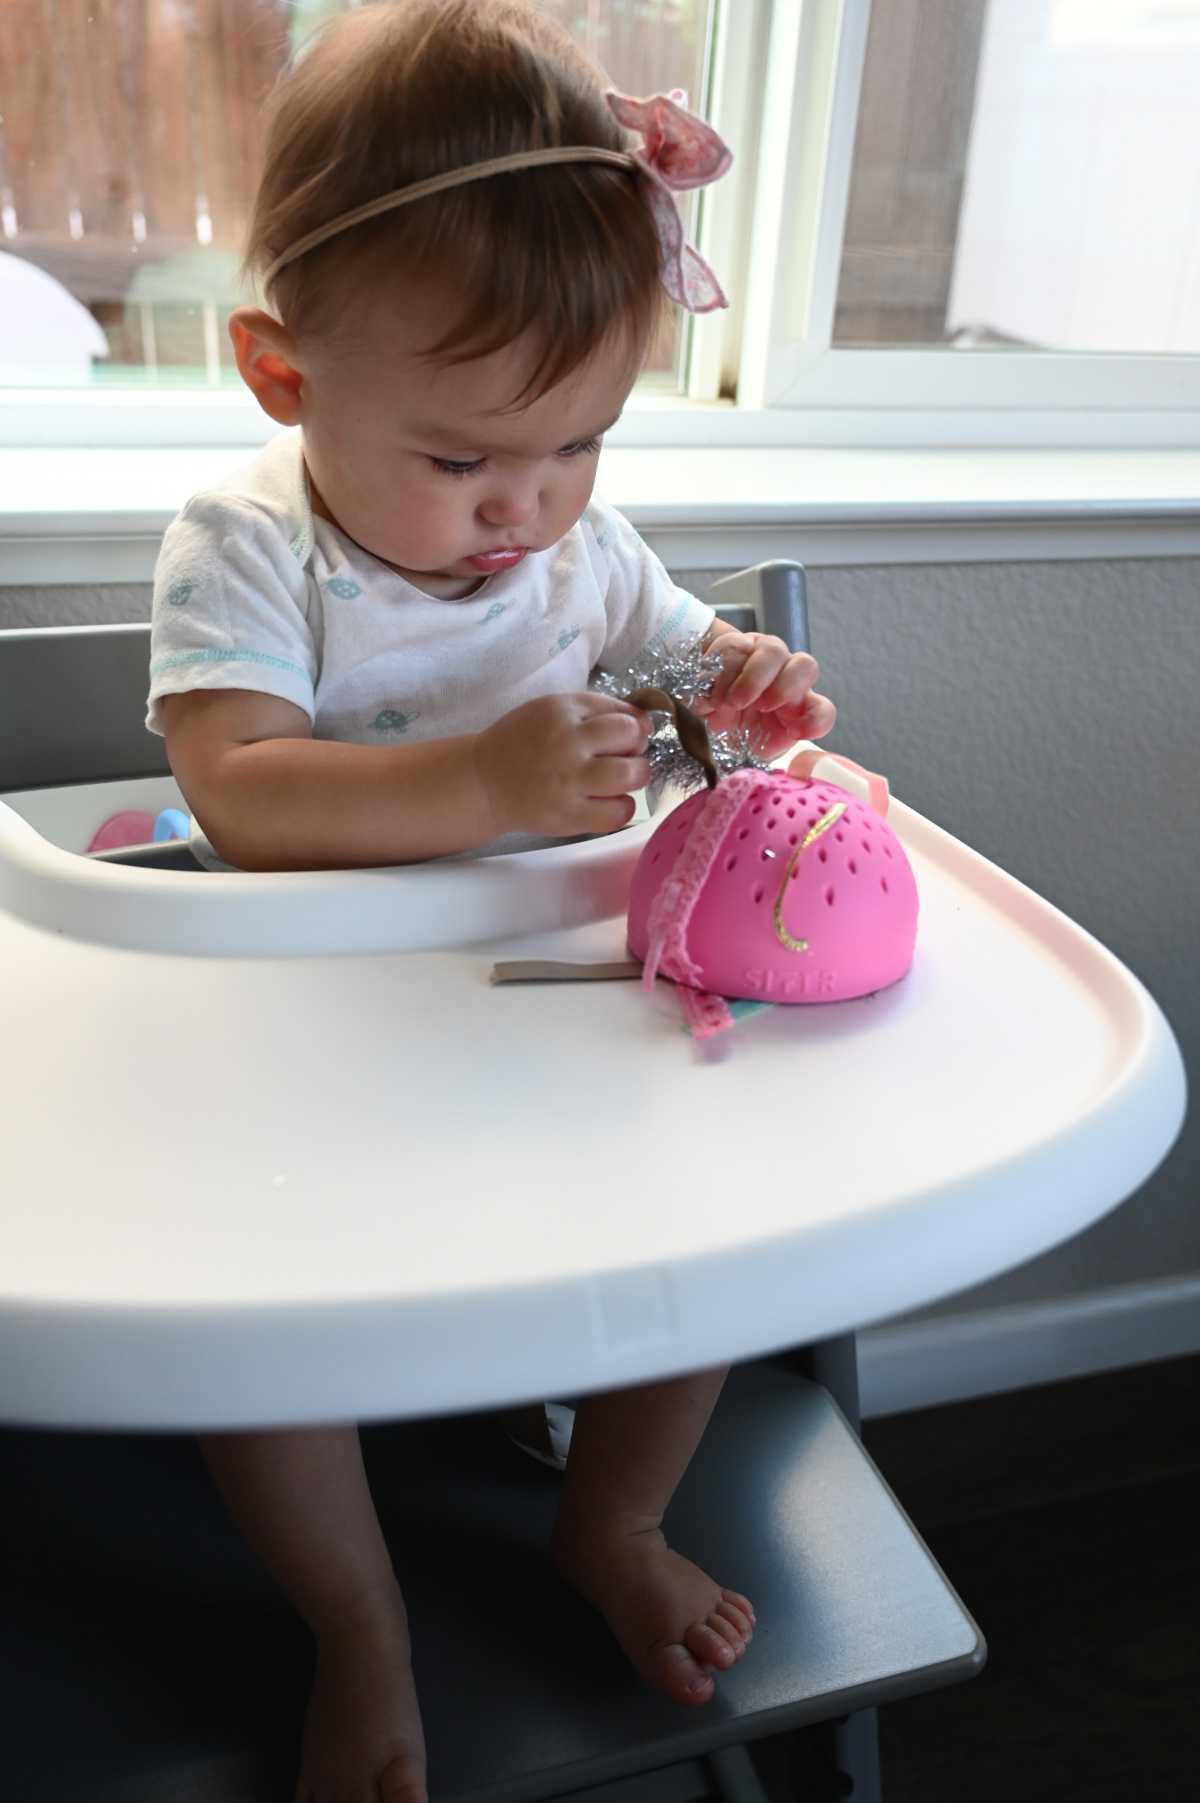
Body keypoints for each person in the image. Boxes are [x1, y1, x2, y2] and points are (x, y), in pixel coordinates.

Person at [147, 5, 836, 1799]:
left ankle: (607, 1518)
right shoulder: (249, 549)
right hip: (300, 1035)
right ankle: (357, 1619)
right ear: (284, 372)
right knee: (252, 1316)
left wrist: (743, 676)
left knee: (699, 1242)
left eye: (582, 444)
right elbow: (234, 790)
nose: (527, 510)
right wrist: (469, 783)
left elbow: (676, 646)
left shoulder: (576, 545)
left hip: (544, 1005)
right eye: (462, 462)